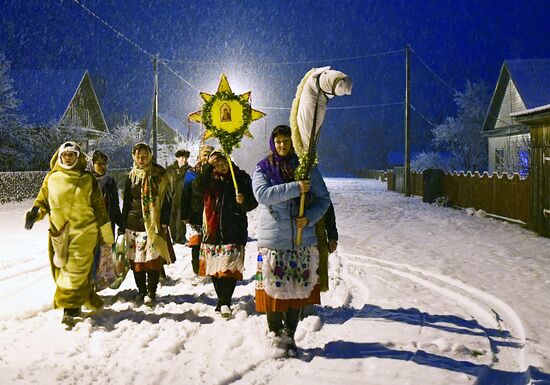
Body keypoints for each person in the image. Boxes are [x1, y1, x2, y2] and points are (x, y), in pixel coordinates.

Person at [252, 125, 331, 356]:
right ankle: (275, 336)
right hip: (274, 241)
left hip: (301, 242)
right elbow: (263, 195)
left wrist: (308, 218)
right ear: (272, 143)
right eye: (278, 142)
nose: (282, 146)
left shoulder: (306, 168)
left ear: (292, 143)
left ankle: (289, 336)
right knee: (274, 294)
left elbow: (323, 199)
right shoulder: (263, 168)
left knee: (297, 294)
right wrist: (296, 187)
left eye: (286, 141)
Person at [24, 141, 114, 327]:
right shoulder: (51, 178)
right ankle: (81, 299)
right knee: (63, 271)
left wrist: (106, 233)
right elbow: (42, 202)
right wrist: (35, 214)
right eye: (65, 155)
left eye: (72, 154)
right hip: (60, 235)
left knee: (75, 272)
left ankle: (70, 310)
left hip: (84, 233)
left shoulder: (87, 179)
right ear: (59, 156)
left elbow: (99, 208)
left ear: (78, 157)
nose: (68, 157)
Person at [193, 149, 257, 317]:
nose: (220, 166)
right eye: (216, 163)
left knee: (229, 269)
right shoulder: (208, 179)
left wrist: (244, 201)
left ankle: (225, 302)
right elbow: (197, 187)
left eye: (223, 162)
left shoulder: (240, 177)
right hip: (212, 231)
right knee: (215, 269)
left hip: (234, 229)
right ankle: (222, 301)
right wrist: (208, 166)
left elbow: (253, 202)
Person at [119, 142, 172, 303]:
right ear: (133, 157)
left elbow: (167, 200)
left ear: (149, 156)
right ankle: (141, 289)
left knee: (152, 261)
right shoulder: (131, 175)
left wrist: (164, 221)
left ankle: (151, 291)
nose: (141, 160)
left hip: (152, 224)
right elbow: (127, 201)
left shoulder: (159, 174)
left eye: (144, 156)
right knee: (136, 260)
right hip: (133, 224)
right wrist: (122, 225)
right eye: (138, 156)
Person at [87, 149, 122, 290]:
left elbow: (114, 206)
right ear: (91, 164)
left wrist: (121, 224)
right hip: (88, 227)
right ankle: (89, 287)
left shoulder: (109, 181)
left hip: (106, 226)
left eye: (104, 164)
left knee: (103, 257)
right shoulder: (84, 181)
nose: (103, 166)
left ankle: (98, 285)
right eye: (99, 164)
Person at [181, 144, 214, 281]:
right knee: (196, 244)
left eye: (209, 155)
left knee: (210, 243)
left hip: (211, 214)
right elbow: (185, 194)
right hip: (195, 213)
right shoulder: (191, 173)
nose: (206, 158)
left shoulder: (216, 173)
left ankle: (209, 269)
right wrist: (184, 214)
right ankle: (197, 270)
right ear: (199, 156)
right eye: (204, 155)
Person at [166, 149, 191, 244]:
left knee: (181, 219)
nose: (183, 159)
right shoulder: (170, 169)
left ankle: (181, 238)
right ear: (177, 158)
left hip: (183, 197)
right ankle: (173, 237)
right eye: (181, 157)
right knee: (171, 219)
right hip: (171, 196)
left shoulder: (189, 170)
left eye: (185, 157)